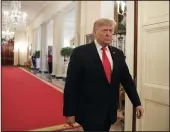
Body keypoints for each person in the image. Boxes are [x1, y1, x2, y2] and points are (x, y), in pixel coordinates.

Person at [63, 18, 144, 131]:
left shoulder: (118, 54)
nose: (108, 34)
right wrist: (69, 112)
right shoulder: (80, 53)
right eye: (104, 30)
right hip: (89, 111)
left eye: (111, 31)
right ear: (95, 33)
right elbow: (71, 84)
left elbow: (127, 80)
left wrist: (137, 103)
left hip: (109, 111)